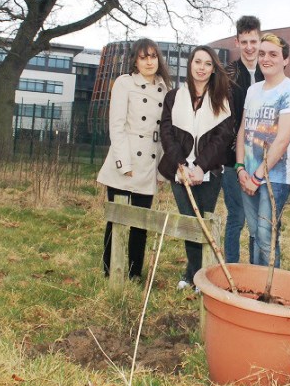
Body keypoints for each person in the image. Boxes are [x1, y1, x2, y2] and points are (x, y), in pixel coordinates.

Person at [158, 46, 233, 289]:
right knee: (190, 222)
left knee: (203, 222)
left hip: (209, 171)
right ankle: (194, 275)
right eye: (197, 62)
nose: (201, 67)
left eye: (208, 63)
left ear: (213, 69)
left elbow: (222, 138)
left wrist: (200, 167)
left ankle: (197, 276)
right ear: (190, 64)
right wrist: (182, 165)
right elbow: (167, 133)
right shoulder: (174, 97)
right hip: (179, 170)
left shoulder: (222, 98)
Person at [97, 38, 171, 279]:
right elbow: (116, 126)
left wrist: (161, 171)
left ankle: (134, 273)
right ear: (135, 61)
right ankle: (109, 271)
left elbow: (164, 135)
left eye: (153, 56)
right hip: (125, 160)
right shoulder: (124, 83)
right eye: (143, 57)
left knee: (141, 223)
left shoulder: (166, 88)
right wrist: (124, 163)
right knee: (116, 220)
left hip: (149, 164)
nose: (149, 61)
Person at [236, 33, 290, 267]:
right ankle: (256, 287)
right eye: (262, 53)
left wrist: (257, 177)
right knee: (254, 233)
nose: (266, 58)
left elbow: (282, 141)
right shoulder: (253, 90)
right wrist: (240, 168)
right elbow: (243, 131)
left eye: (273, 54)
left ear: (285, 60)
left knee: (266, 234)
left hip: (274, 177)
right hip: (249, 173)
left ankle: (271, 290)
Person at [222, 16, 264, 264]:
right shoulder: (228, 74)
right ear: (237, 42)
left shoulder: (268, 70)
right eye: (245, 41)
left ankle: (255, 269)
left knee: (257, 218)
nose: (250, 47)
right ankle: (232, 267)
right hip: (231, 158)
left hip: (259, 157)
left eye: (254, 41)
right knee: (236, 216)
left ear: (260, 40)